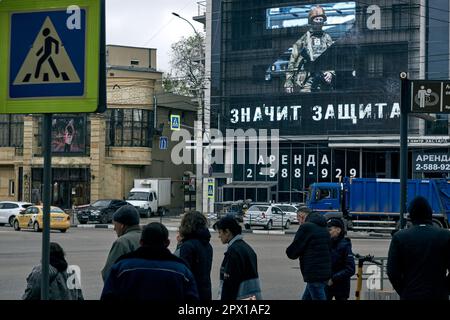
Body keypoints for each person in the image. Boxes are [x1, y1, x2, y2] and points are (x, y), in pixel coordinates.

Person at [101, 222, 199, 301]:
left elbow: (107, 296)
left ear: (141, 242)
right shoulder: (182, 271)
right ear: (167, 243)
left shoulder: (122, 268)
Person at [387, 196, 450, 300]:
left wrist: (404, 291)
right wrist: (445, 288)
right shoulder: (445, 236)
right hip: (438, 295)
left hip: (411, 294)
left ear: (411, 215)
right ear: (430, 214)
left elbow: (392, 272)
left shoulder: (399, 237)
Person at [284, 5, 335, 93]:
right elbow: (293, 59)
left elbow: (334, 58)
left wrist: (330, 72)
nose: (319, 21)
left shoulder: (327, 38)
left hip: (323, 79)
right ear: (311, 21)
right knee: (306, 102)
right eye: (316, 19)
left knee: (325, 102)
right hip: (307, 79)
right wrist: (289, 82)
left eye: (321, 19)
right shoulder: (303, 38)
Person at [286, 207, 331, 300]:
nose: (299, 222)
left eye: (298, 219)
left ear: (302, 216)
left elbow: (294, 250)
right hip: (324, 271)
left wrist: (289, 252)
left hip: (313, 272)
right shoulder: (323, 226)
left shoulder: (307, 227)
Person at [213, 216, 262, 300]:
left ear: (227, 232)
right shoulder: (247, 248)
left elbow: (230, 285)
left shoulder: (233, 252)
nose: (219, 236)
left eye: (220, 232)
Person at [174, 210, 213, 300]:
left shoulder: (188, 246)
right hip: (205, 291)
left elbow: (183, 273)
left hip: (191, 294)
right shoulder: (207, 245)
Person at [101, 205, 141, 282]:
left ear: (122, 225)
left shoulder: (122, 242)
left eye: (115, 225)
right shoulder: (148, 237)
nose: (114, 228)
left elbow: (108, 273)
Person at [326, 218, 355, 300]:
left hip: (341, 286)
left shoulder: (345, 245)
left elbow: (351, 269)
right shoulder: (328, 243)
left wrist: (333, 279)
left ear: (338, 230)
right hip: (328, 285)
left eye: (330, 229)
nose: (328, 232)